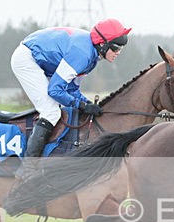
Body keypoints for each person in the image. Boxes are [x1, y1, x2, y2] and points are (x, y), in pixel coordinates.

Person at [10, 18, 131, 158]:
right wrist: (82, 105)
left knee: (62, 108)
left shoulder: (92, 56)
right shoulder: (83, 54)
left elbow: (72, 89)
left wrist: (88, 104)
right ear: (102, 44)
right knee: (51, 112)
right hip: (27, 59)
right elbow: (55, 90)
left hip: (39, 57)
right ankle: (28, 167)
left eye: (121, 49)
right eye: (115, 48)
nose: (118, 52)